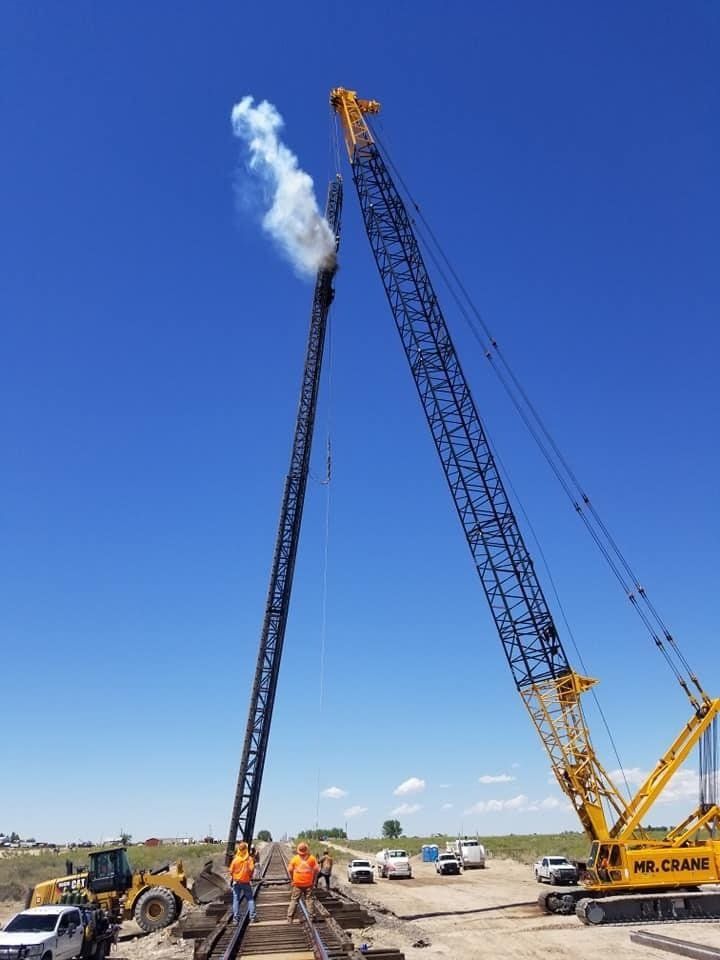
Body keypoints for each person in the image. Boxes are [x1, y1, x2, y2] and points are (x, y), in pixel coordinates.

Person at [287, 842, 318, 922]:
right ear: (306, 849)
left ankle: (290, 917)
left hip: (297, 884)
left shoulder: (295, 859)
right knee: (309, 899)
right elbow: (316, 870)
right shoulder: (312, 858)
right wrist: (314, 880)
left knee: (294, 900)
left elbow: (290, 870)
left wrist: (292, 879)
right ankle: (312, 917)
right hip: (308, 883)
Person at [228, 842, 257, 923]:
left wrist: (235, 876)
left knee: (236, 900)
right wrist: (249, 876)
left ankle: (236, 919)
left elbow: (230, 871)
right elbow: (251, 869)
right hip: (246, 882)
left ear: (239, 849)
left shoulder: (235, 859)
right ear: (246, 849)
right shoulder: (249, 859)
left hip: (236, 882)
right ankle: (252, 917)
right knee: (250, 899)